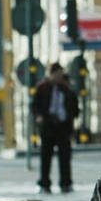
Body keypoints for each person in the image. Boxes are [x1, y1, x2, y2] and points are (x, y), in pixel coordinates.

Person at [31, 62, 79, 193]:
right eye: (56, 74)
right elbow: (34, 106)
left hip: (63, 126)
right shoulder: (42, 87)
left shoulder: (66, 88)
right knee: (46, 156)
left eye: (60, 74)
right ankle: (44, 183)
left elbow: (74, 105)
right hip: (48, 125)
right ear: (50, 74)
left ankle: (66, 183)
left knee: (65, 156)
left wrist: (71, 116)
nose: (59, 77)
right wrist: (39, 116)